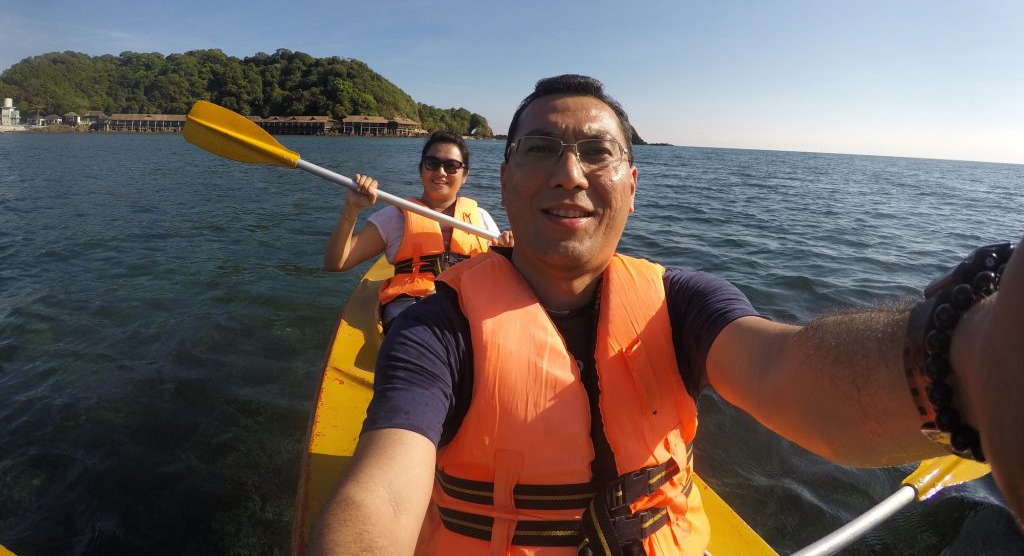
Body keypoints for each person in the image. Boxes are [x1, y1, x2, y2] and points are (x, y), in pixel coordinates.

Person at [310, 75, 1023, 556]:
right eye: (541, 150)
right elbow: (381, 491)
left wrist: (972, 354)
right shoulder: (437, 327)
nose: (569, 173)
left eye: (598, 153)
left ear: (632, 183)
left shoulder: (683, 301)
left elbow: (791, 374)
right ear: (507, 177)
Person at [323, 129, 513, 331]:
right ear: (421, 169)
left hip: (471, 310)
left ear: (464, 175)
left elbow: (502, 274)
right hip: (413, 313)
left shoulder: (481, 218)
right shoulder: (394, 217)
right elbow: (336, 262)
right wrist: (351, 208)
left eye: (451, 166)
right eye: (432, 163)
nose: (441, 172)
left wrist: (509, 253)